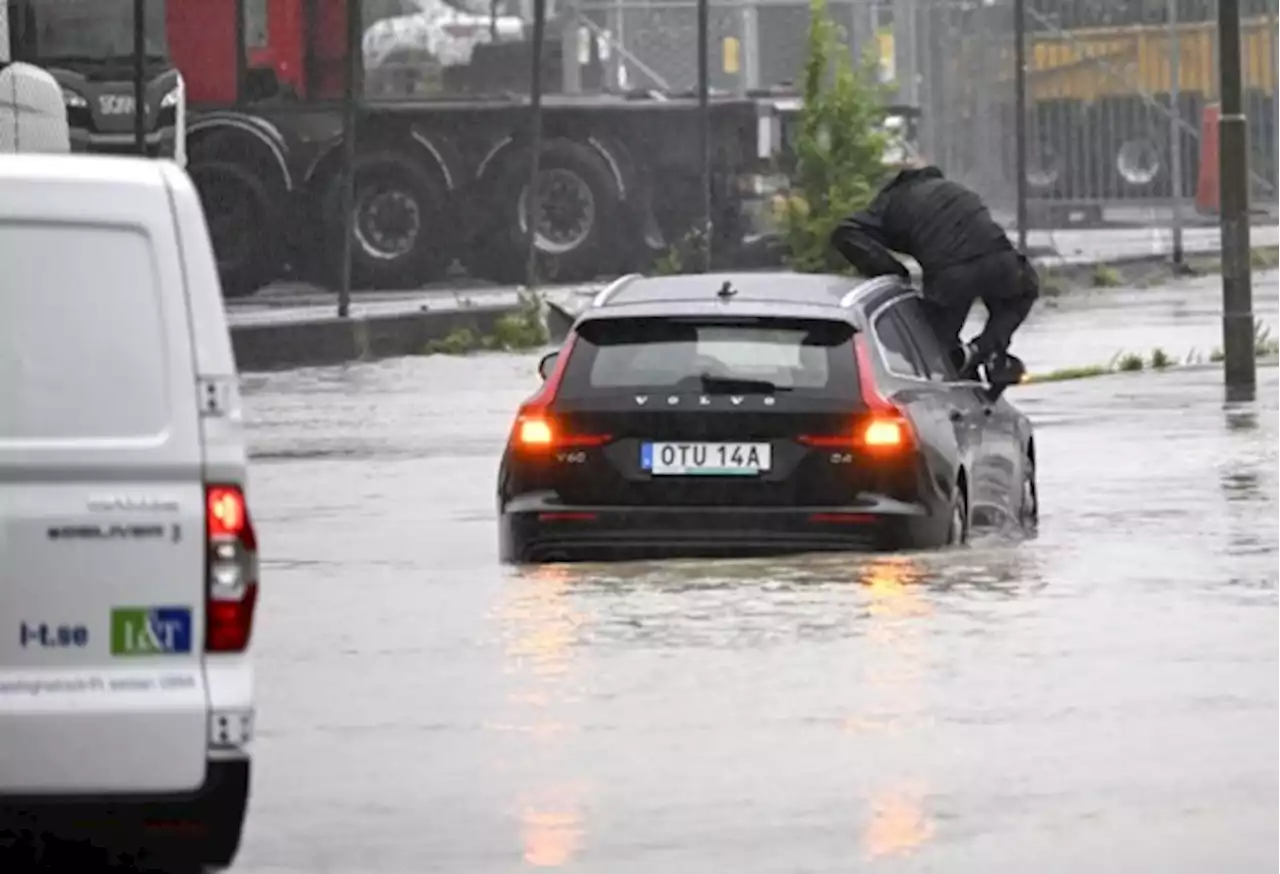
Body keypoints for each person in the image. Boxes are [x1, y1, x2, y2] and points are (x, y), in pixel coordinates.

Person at [829, 163, 1039, 378]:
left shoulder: (892, 201)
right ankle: (982, 351)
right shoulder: (955, 189)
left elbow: (845, 231)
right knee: (1023, 292)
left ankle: (955, 369)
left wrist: (893, 274)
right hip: (1002, 261)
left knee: (934, 346)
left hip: (951, 276)